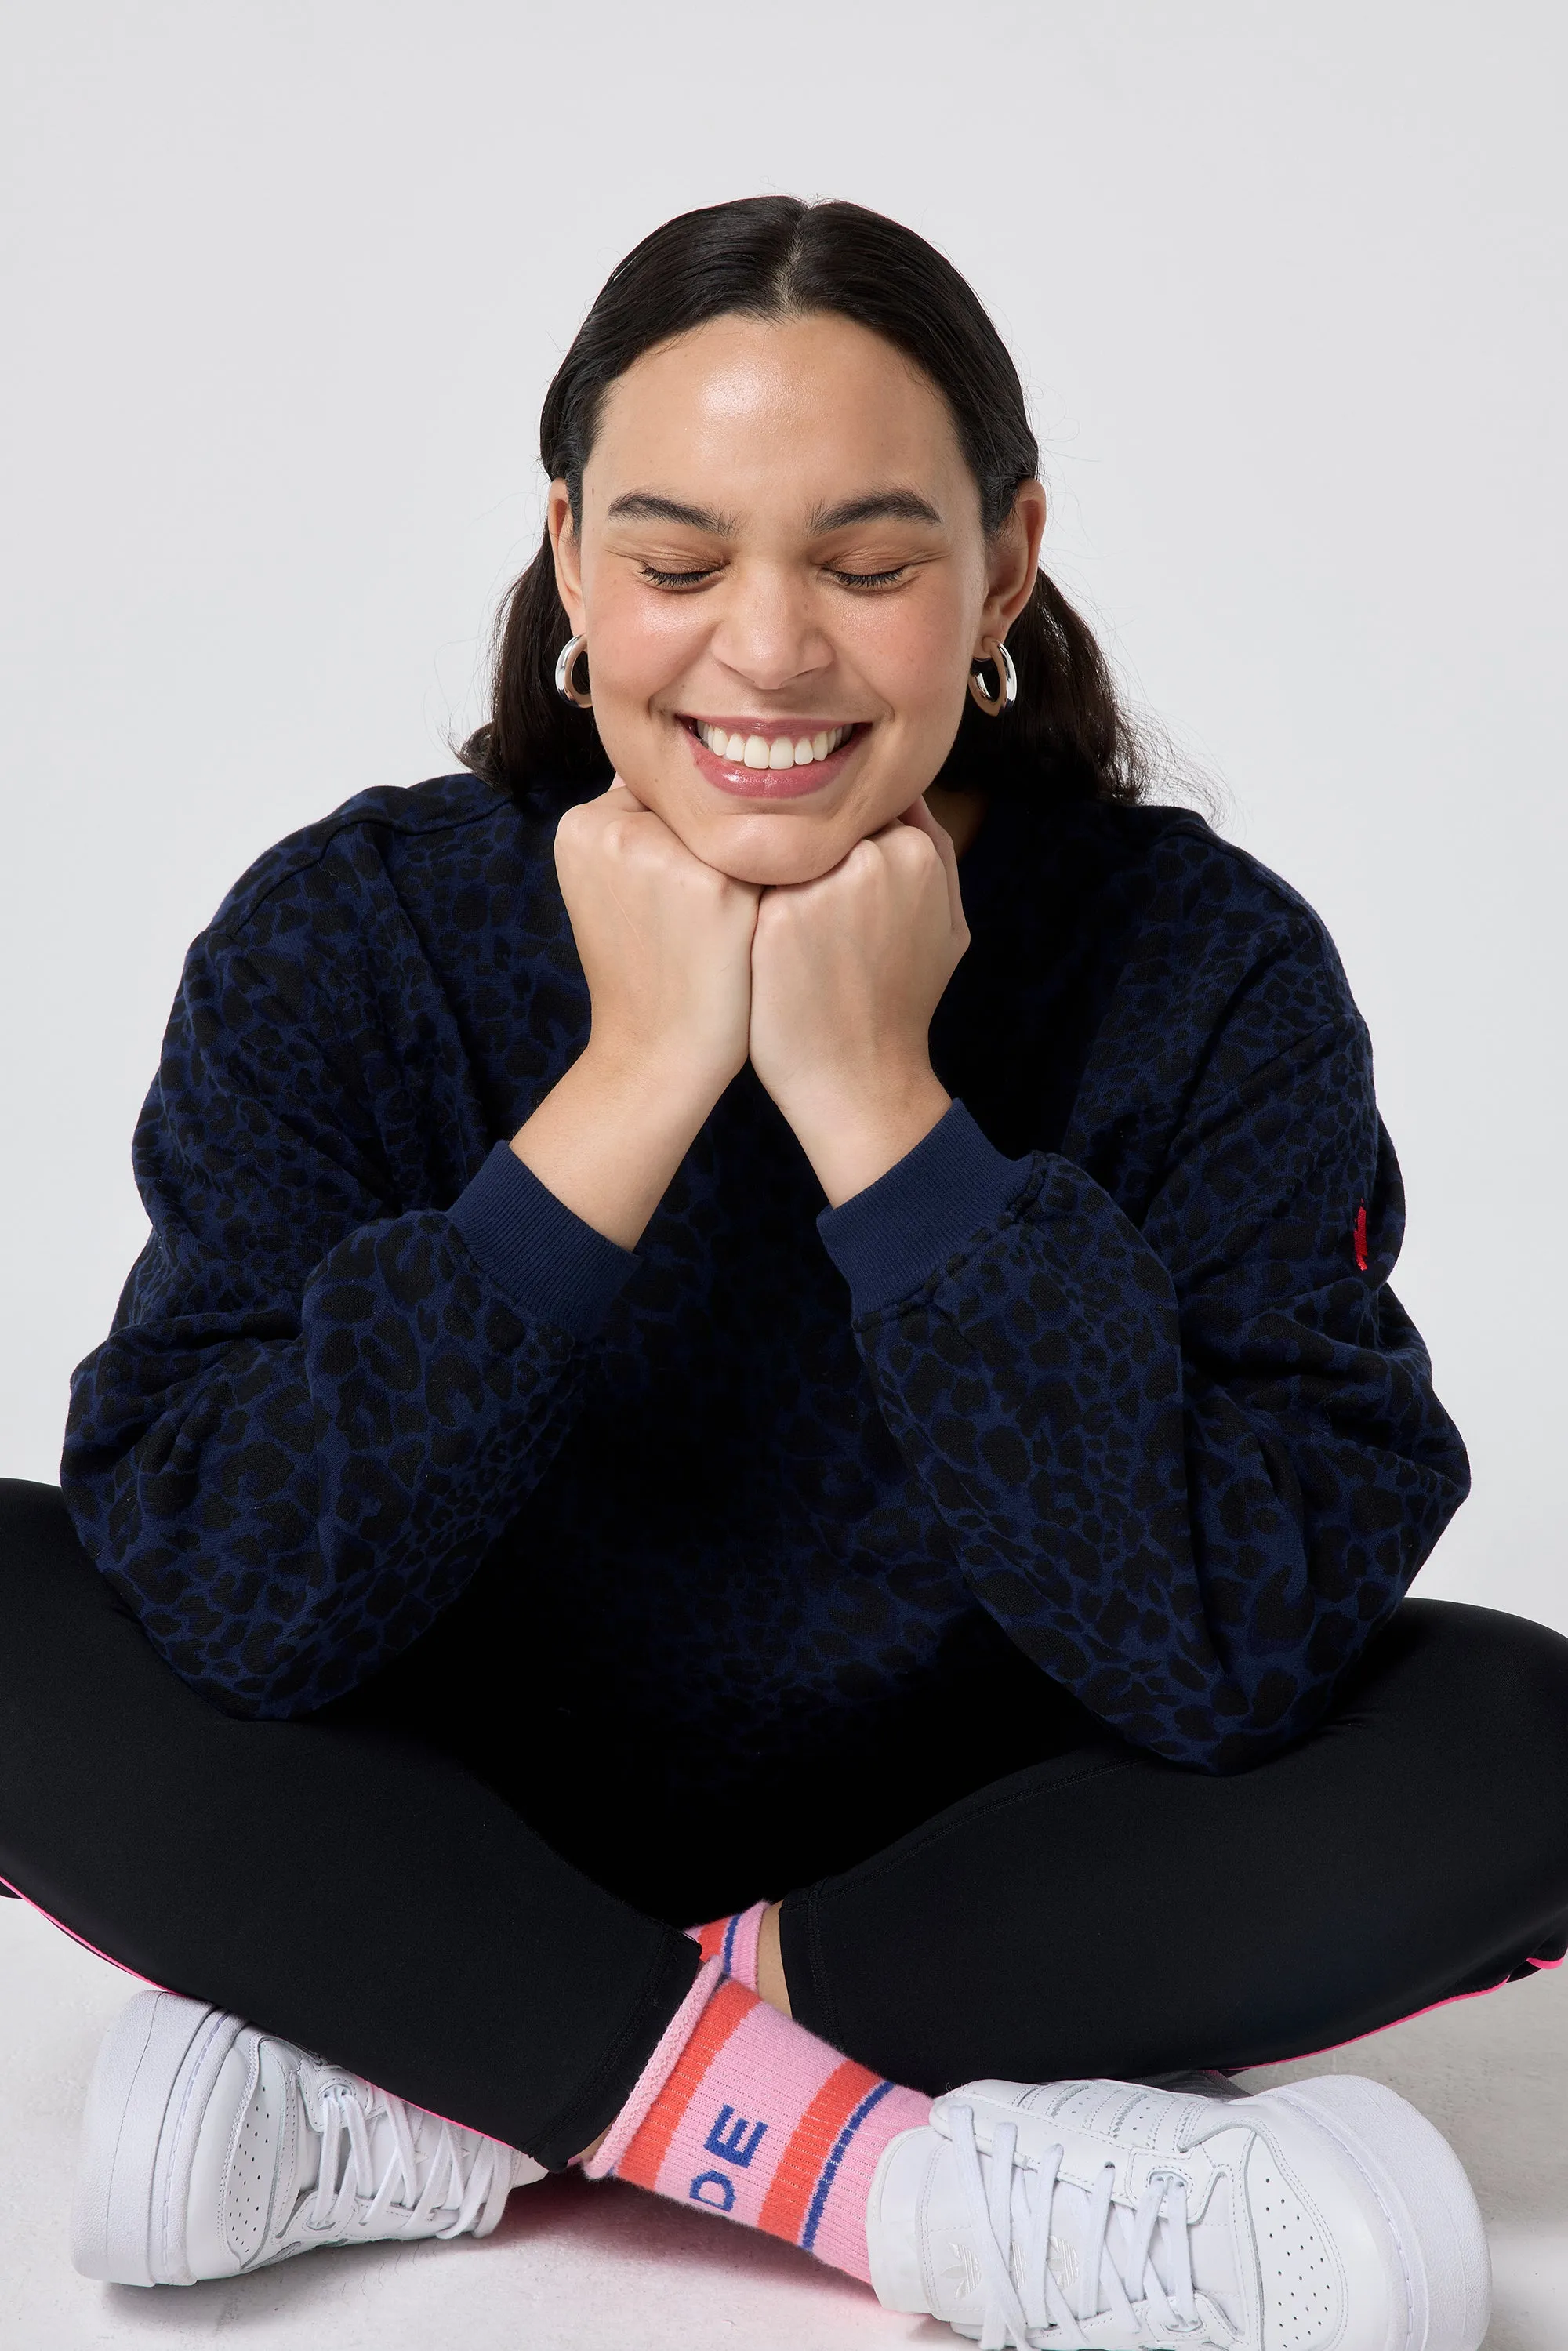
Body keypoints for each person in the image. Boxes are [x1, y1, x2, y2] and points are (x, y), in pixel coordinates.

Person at [3, 194, 1564, 2349]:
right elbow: (236, 1590)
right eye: (675, 561)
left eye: (867, 561)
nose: (766, 650)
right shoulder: (351, 936)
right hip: (442, 1811)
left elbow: (1226, 1647)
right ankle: (888, 2178)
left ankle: (458, 2069)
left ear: (1003, 565)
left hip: (974, 1872)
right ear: (568, 560)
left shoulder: (1206, 975)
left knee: (1525, 1735)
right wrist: (630, 1083)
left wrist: (885, 1116)